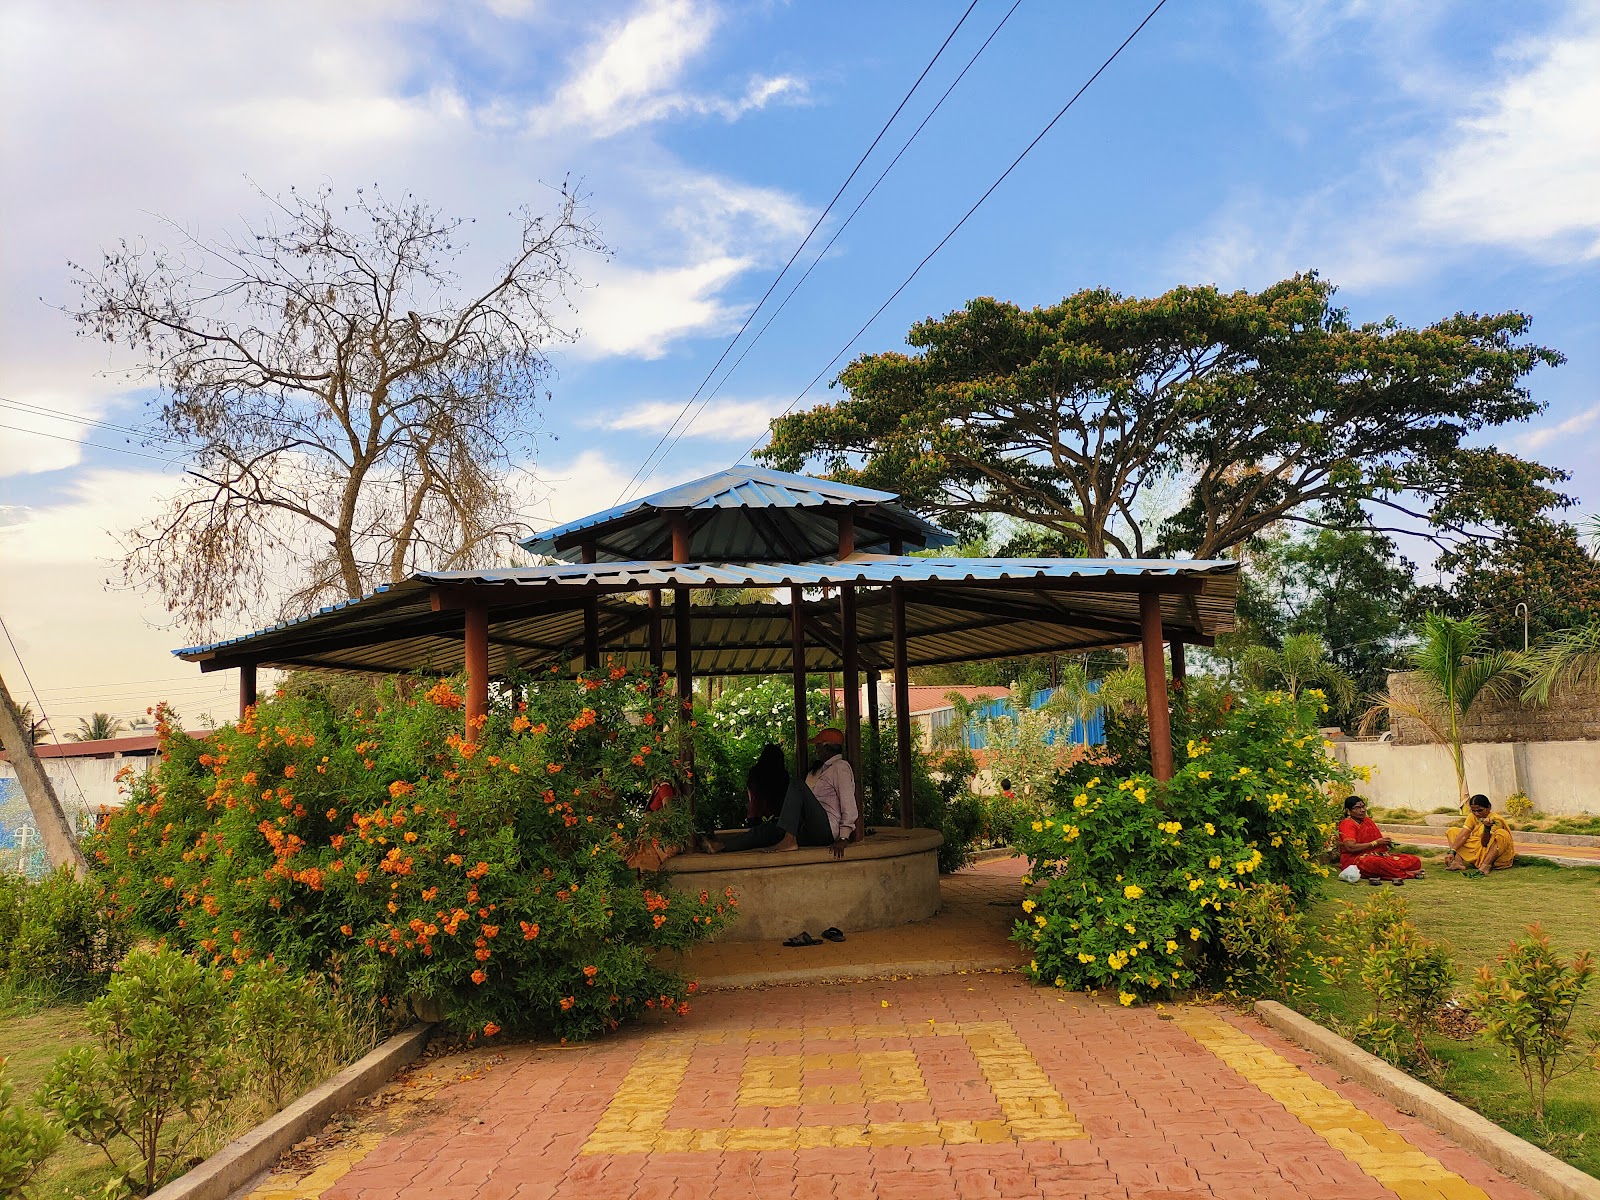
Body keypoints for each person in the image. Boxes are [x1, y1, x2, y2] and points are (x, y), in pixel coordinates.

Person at [702, 728, 858, 859]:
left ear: (827, 747)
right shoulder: (823, 769)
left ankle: (789, 841)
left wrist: (844, 837)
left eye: (817, 746)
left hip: (827, 830)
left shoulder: (840, 767)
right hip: (810, 827)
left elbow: (849, 806)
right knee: (770, 829)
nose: (816, 750)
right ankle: (721, 845)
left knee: (797, 784)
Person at [1338, 796, 1424, 881]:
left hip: (1377, 855)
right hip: (1355, 859)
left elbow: (1378, 842)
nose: (1362, 810)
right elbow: (1351, 847)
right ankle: (1407, 873)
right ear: (1348, 811)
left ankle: (1394, 872)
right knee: (1375, 863)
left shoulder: (1367, 821)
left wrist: (1385, 843)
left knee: (1414, 860)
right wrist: (1375, 843)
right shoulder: (1347, 824)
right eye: (1357, 808)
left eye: (1363, 806)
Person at [1445, 794, 1516, 874]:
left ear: (1489, 807)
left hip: (1491, 853)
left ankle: (1486, 866)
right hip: (1477, 849)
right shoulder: (1472, 817)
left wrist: (1487, 828)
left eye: (1480, 810)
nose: (1476, 814)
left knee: (1502, 834)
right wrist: (1452, 851)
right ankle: (1457, 862)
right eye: (1473, 811)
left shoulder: (1495, 819)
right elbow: (1464, 834)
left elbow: (1485, 843)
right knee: (1452, 831)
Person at [745, 743, 788, 827]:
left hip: (755, 815)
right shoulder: (782, 775)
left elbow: (750, 793)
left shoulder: (754, 773)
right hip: (777, 816)